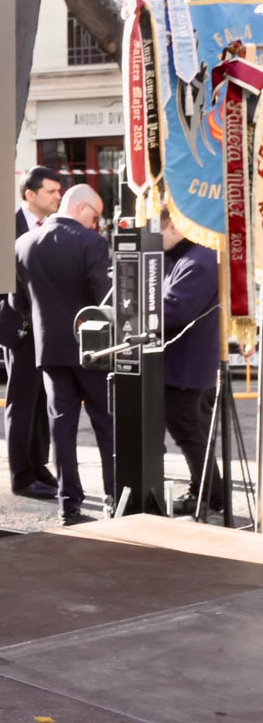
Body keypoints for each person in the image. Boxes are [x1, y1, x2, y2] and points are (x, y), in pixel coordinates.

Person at [13, 184, 115, 525]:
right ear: (82, 208)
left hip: (50, 350)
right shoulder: (92, 244)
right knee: (106, 424)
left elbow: (17, 303)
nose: (96, 223)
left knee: (62, 430)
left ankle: (68, 506)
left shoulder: (24, 244)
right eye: (96, 216)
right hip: (94, 350)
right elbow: (104, 298)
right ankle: (114, 500)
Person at [0, 167, 62, 499]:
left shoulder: (56, 228)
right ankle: (21, 475)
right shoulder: (8, 226)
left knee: (42, 400)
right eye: (51, 191)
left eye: (60, 191)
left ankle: (38, 465)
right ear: (30, 194)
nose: (58, 196)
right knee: (21, 401)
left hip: (47, 327)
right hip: (19, 327)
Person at [159, 205, 224, 517]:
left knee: (190, 432)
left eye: (158, 233)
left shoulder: (198, 260)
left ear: (174, 226)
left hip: (186, 366)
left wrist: (140, 309)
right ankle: (206, 491)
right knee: (194, 431)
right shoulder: (191, 256)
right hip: (189, 363)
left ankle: (210, 495)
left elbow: (177, 310)